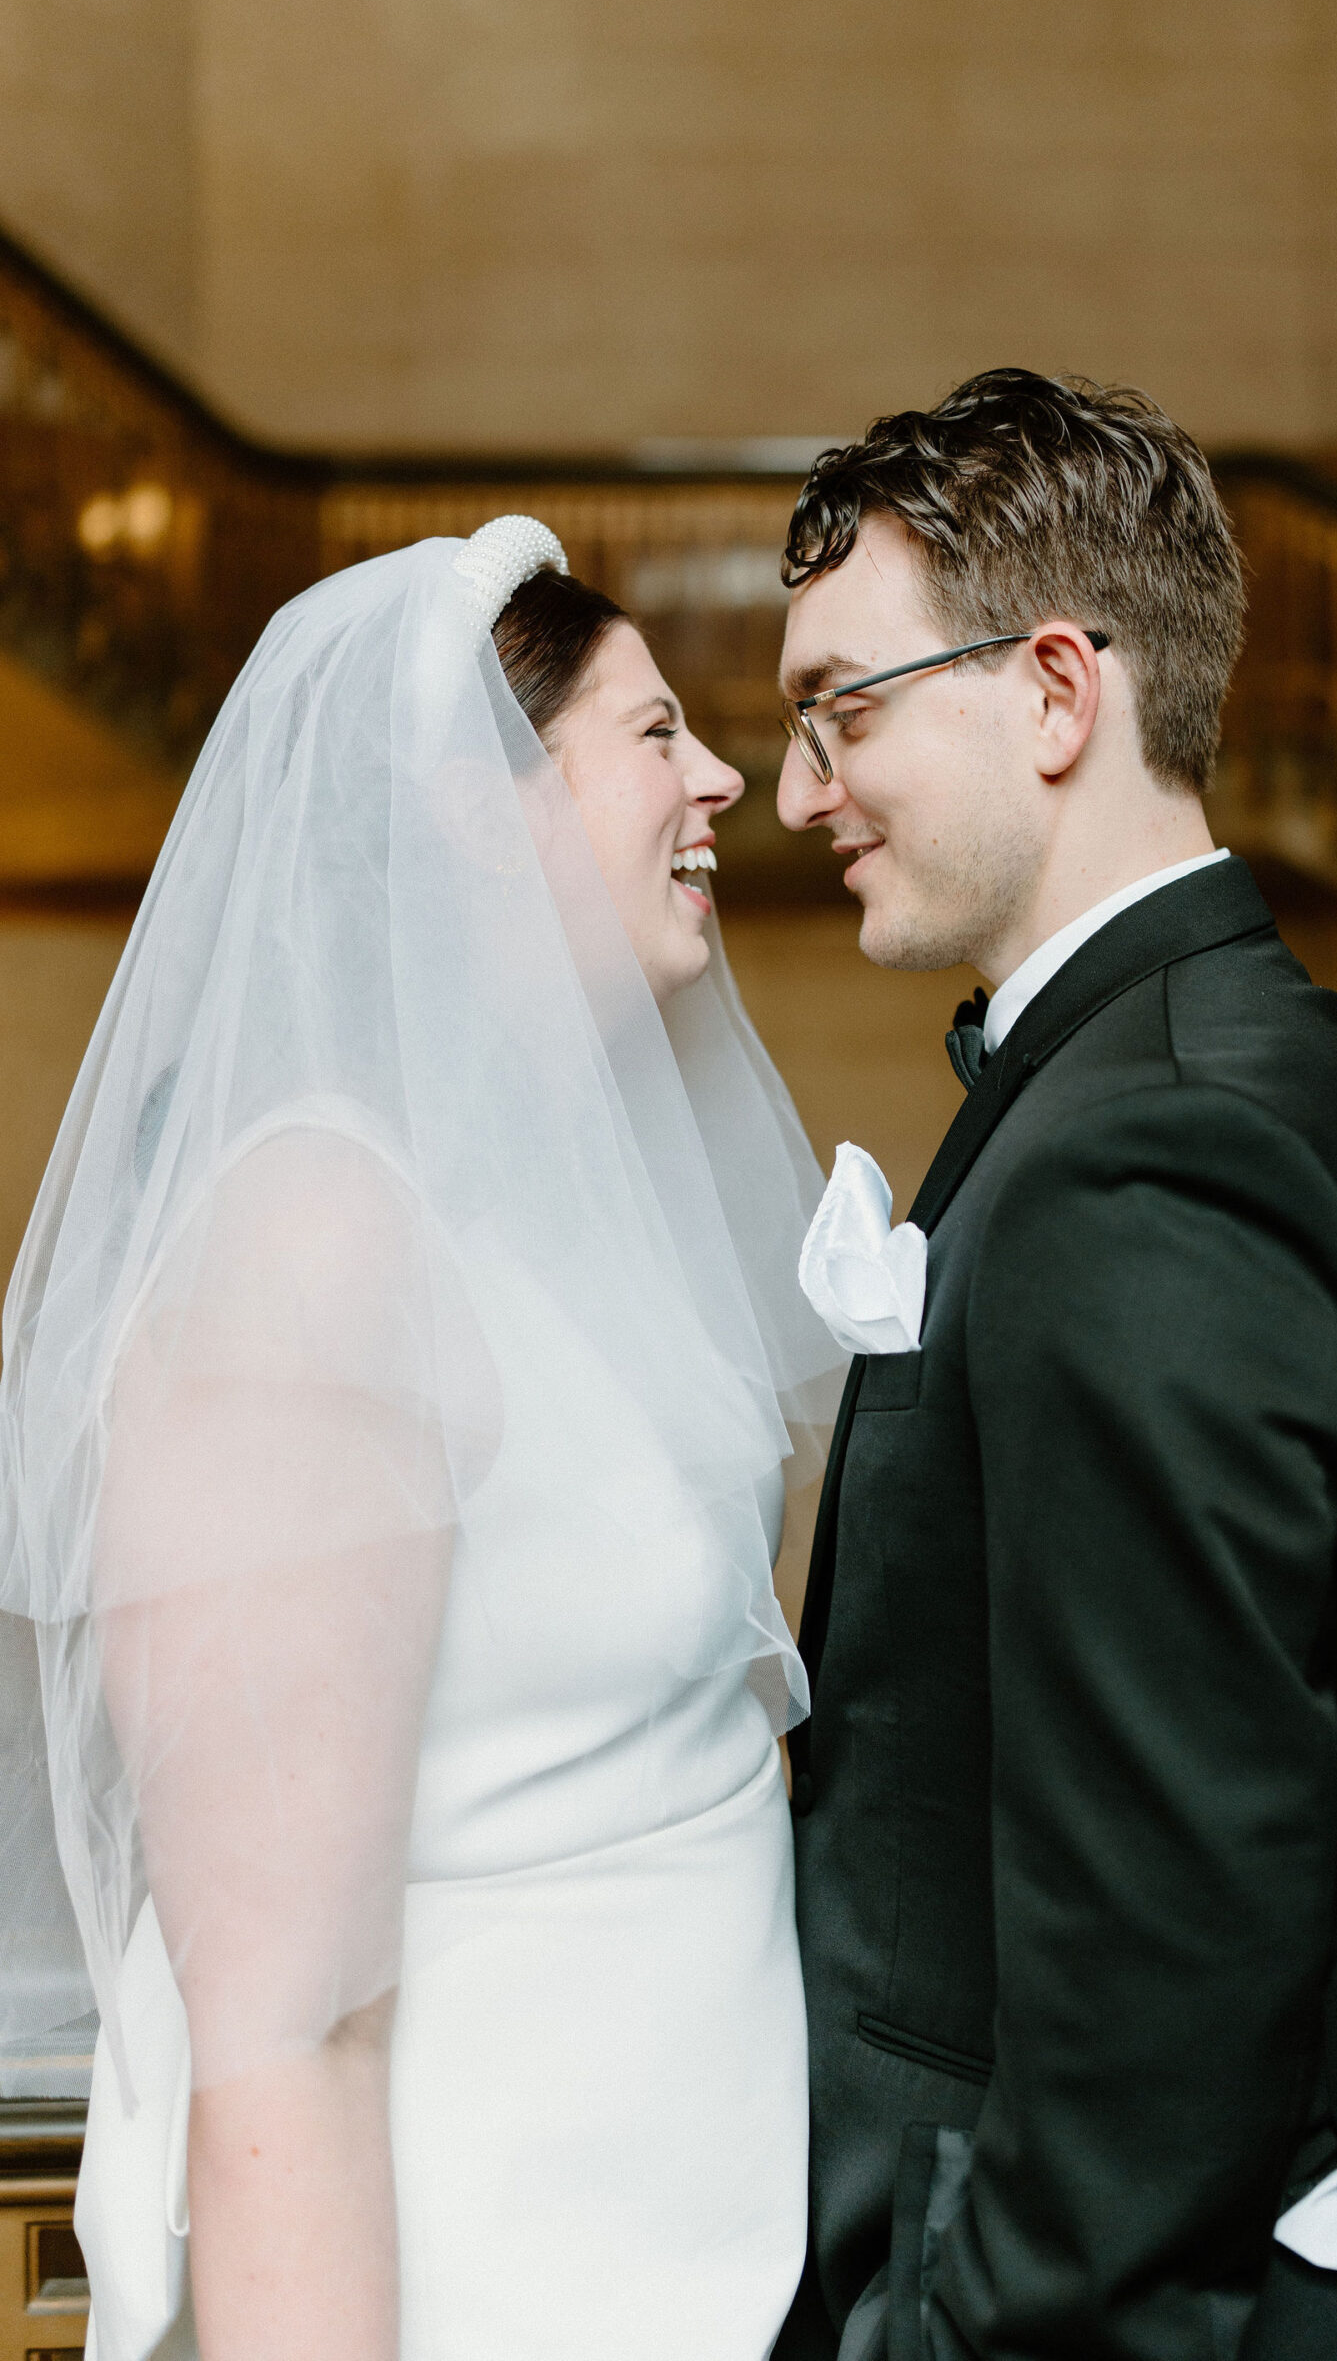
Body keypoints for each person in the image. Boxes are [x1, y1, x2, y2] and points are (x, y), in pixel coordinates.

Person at [0, 516, 844, 2361]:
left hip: (681, 2289)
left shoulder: (561, 1208)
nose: (722, 781)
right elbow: (284, 2026)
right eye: (647, 737)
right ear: (476, 809)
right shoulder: (315, 1242)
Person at [772, 372, 1337, 2360]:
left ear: (1049, 691)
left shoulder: (1149, 1146)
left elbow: (1165, 1931)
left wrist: (978, 2329)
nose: (796, 789)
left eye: (842, 707)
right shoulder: (1183, 1063)